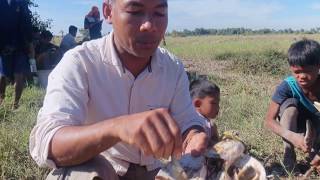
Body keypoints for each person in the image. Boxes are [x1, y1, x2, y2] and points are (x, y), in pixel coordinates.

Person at [29, 0, 209, 179]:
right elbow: (48, 141)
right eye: (135, 11)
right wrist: (117, 128)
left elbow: (187, 120)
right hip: (105, 171)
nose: (149, 25)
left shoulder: (172, 67)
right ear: (108, 12)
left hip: (155, 172)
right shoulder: (80, 63)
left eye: (159, 13)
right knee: (79, 175)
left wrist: (194, 135)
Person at [264, 39, 320, 171]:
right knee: (289, 106)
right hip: (295, 128)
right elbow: (269, 121)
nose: (302, 76)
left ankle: (315, 151)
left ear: (318, 66)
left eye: (306, 71)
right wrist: (292, 136)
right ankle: (289, 155)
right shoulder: (287, 86)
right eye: (296, 72)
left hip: (316, 127)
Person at [0, 0, 33, 108]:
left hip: (20, 45)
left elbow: (27, 22)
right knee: (3, 77)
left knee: (19, 75)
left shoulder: (22, 2)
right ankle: (1, 100)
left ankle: (15, 104)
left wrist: (29, 42)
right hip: (3, 45)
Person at [190, 79, 220, 144]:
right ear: (198, 104)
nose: (218, 107)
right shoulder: (193, 122)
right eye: (214, 103)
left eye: (218, 103)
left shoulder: (208, 123)